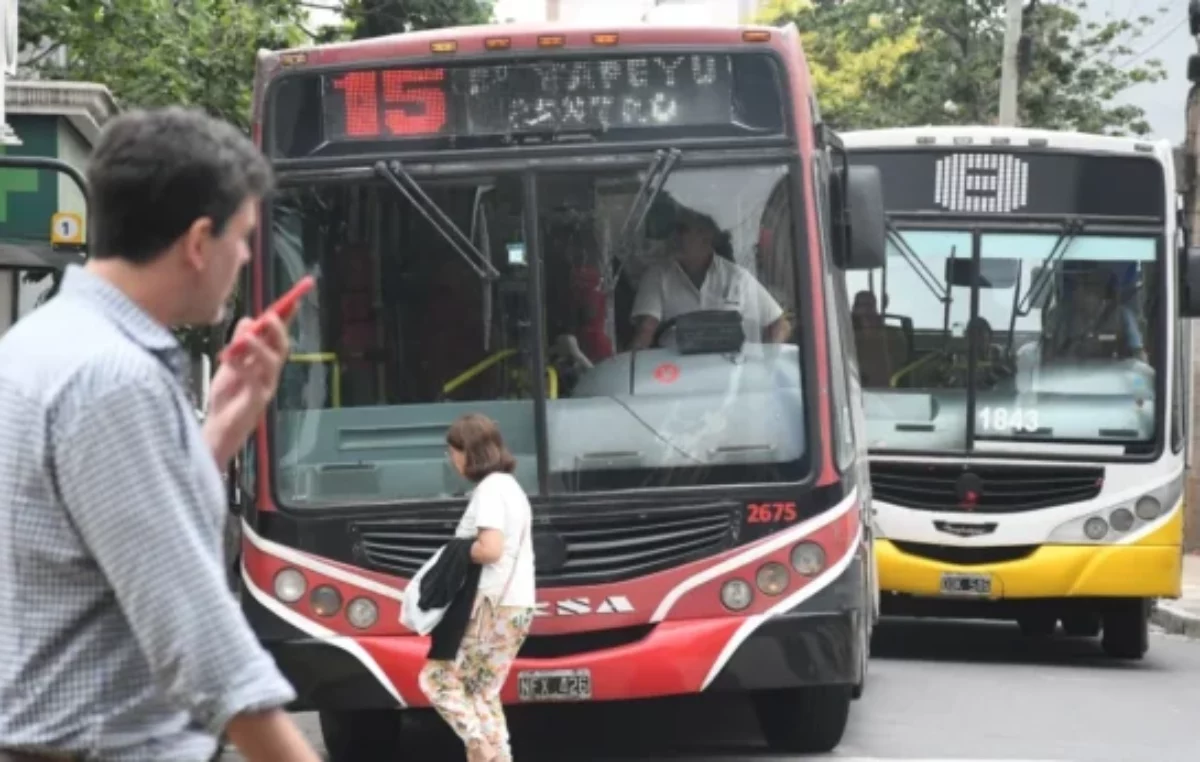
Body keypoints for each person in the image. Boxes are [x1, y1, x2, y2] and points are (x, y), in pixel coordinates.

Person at [0, 108, 320, 762]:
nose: (245, 260)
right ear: (199, 243)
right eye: (243, 238)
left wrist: (220, 431)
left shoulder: (35, 346)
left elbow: (107, 535)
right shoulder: (114, 380)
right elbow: (204, 647)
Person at [419, 413, 536, 762]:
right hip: (518, 605)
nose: (451, 459)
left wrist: (453, 552)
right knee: (482, 692)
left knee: (437, 679)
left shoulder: (488, 491)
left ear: (468, 452)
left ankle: (478, 746)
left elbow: (490, 549)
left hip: (489, 605)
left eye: (452, 451)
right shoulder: (512, 487)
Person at [629, 205, 791, 350]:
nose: (674, 236)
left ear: (706, 237)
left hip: (730, 372)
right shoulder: (657, 276)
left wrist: (768, 361)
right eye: (675, 229)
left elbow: (780, 324)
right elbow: (645, 331)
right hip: (675, 375)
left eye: (682, 229)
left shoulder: (737, 278)